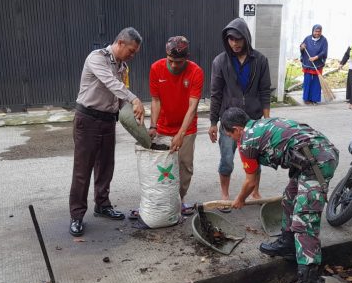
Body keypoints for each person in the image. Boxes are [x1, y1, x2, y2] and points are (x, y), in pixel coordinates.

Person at [221, 107, 338, 283]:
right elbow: (255, 173)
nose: (231, 139)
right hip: (311, 159)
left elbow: (250, 181)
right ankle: (287, 243)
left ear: (237, 129)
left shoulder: (247, 140)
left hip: (318, 162)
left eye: (230, 135)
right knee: (290, 198)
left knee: (305, 222)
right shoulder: (261, 125)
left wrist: (239, 200)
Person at [68, 27, 146, 237]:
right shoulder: (97, 58)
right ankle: (76, 215)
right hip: (88, 119)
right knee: (83, 170)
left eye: (135, 53)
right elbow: (111, 84)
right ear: (120, 43)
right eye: (131, 50)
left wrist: (137, 121)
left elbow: (119, 98)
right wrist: (134, 98)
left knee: (105, 166)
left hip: (107, 121)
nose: (132, 55)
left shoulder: (122, 66)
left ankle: (102, 204)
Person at [209, 17, 271, 201]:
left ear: (246, 38)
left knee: (255, 159)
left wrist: (266, 120)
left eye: (238, 39)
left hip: (253, 120)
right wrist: (213, 122)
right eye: (231, 39)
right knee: (227, 160)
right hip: (229, 122)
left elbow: (265, 91)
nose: (234, 43)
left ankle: (255, 192)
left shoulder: (260, 60)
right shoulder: (220, 62)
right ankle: (225, 194)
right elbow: (216, 93)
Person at [147, 36, 204, 216]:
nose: (173, 65)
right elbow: (155, 100)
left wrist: (181, 133)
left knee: (185, 165)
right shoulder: (156, 68)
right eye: (170, 61)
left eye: (178, 62)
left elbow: (193, 106)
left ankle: (179, 200)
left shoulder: (196, 72)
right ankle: (163, 200)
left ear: (186, 58)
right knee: (163, 167)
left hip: (187, 128)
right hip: (163, 126)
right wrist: (153, 126)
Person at [299, 24, 328, 105]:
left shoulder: (324, 40)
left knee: (316, 82)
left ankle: (314, 99)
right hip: (308, 64)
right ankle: (306, 99)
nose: (317, 33)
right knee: (307, 81)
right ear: (313, 31)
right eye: (316, 31)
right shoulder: (307, 39)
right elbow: (302, 49)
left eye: (319, 31)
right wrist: (302, 47)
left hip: (318, 64)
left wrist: (316, 57)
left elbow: (324, 51)